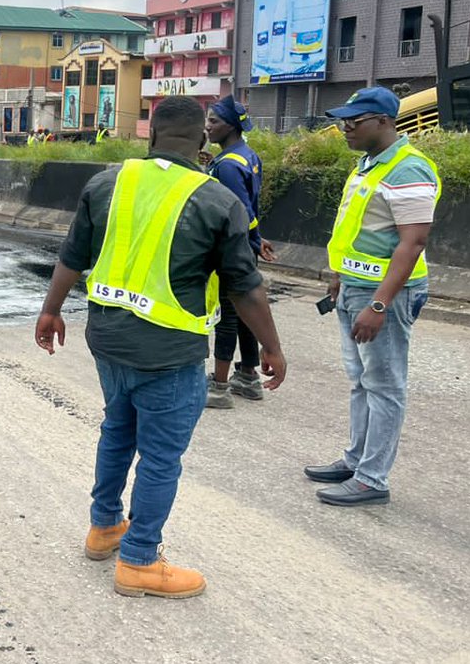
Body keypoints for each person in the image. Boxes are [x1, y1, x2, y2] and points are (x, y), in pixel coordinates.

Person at [34, 96, 286, 599]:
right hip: (169, 353)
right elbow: (245, 286)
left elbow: (72, 255)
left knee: (117, 432)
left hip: (107, 339)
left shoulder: (107, 182)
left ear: (149, 137)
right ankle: (140, 560)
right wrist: (271, 348)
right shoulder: (217, 200)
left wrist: (51, 309)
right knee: (161, 458)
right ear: (202, 142)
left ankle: (104, 528)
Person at [305, 87, 439, 507]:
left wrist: (379, 304)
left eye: (353, 120)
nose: (345, 127)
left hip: (385, 296)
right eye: (343, 120)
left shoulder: (408, 169)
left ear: (383, 121)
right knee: (361, 382)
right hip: (354, 287)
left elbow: (412, 243)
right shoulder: (368, 165)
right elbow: (358, 230)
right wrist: (339, 277)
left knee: (383, 385)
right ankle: (356, 460)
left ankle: (372, 479)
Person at [203, 98, 278, 409]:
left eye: (213, 122)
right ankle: (247, 376)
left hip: (230, 247)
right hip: (245, 244)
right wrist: (256, 240)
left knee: (227, 315)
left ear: (231, 126)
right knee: (244, 313)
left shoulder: (228, 166)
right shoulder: (246, 157)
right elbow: (251, 207)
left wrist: (248, 240)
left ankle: (219, 385)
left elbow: (239, 210)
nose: (207, 126)